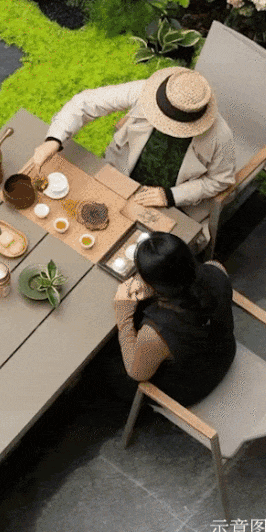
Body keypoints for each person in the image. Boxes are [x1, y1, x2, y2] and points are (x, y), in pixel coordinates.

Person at [32, 67, 235, 211]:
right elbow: (85, 103)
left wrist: (172, 196)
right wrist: (54, 139)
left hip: (166, 205)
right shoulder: (147, 92)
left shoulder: (220, 135)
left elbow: (220, 180)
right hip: (118, 175)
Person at [113, 232, 236, 405]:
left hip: (194, 386)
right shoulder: (216, 268)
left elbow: (136, 373)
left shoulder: (156, 333)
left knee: (108, 367)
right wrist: (152, 287)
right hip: (224, 351)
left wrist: (123, 318)